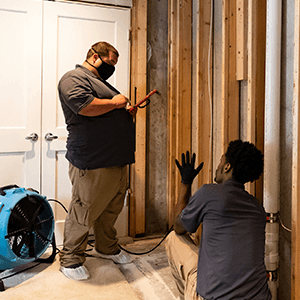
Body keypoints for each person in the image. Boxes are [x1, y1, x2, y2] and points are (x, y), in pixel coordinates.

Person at [58, 41, 137, 281]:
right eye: (110, 62)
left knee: (110, 208)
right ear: (94, 56)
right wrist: (116, 103)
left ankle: (107, 247)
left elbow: (105, 111)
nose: (112, 67)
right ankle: (70, 259)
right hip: (92, 160)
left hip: (115, 158)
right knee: (85, 209)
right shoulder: (73, 78)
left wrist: (124, 112)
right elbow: (84, 106)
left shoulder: (102, 84)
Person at [165, 140, 272, 300]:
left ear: (227, 166)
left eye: (221, 161)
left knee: (173, 238)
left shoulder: (208, 193)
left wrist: (185, 183)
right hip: (259, 297)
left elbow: (179, 227)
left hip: (213, 297)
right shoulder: (257, 209)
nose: (217, 166)